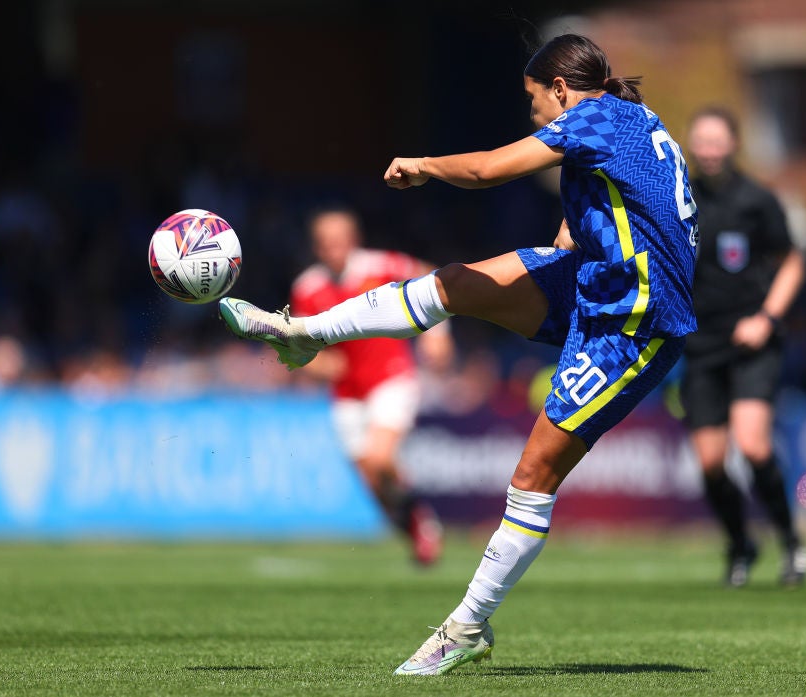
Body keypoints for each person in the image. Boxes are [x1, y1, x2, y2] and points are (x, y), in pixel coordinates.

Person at [219, 34, 697, 675]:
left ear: (560, 89)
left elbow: (488, 170)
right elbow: (634, 200)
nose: (532, 115)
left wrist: (421, 165)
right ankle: (304, 333)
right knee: (457, 283)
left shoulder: (595, 116)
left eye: (533, 101)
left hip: (635, 325)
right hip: (597, 281)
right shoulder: (626, 119)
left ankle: (467, 626)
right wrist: (577, 230)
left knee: (531, 482)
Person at [681, 105, 806, 587]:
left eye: (718, 141)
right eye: (702, 141)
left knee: (753, 445)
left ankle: (791, 543)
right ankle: (740, 545)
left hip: (752, 342)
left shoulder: (757, 200)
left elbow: (792, 263)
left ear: (733, 144)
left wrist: (767, 319)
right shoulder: (678, 197)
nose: (710, 150)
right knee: (711, 463)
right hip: (698, 344)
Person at [291, 206, 451, 565]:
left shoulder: (382, 267)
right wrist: (318, 365)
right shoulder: (307, 288)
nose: (332, 249)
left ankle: (422, 522)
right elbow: (300, 347)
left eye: (338, 241)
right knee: (373, 482)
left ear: (353, 241)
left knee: (380, 458)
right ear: (316, 247)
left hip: (392, 377)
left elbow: (434, 279)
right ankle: (415, 528)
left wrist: (437, 333)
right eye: (324, 243)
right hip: (347, 393)